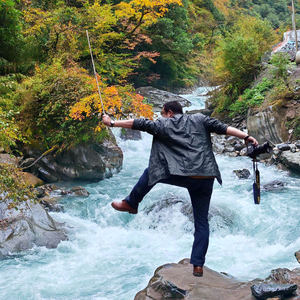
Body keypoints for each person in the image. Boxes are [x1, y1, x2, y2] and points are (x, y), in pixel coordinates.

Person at [102, 101, 258, 277]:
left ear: (169, 112)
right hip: (206, 176)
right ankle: (198, 265)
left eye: (162, 113)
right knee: (202, 222)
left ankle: (131, 203)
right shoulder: (200, 119)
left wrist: (113, 123)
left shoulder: (163, 123)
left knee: (152, 172)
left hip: (183, 175)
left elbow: (140, 124)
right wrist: (246, 137)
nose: (161, 116)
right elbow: (224, 128)